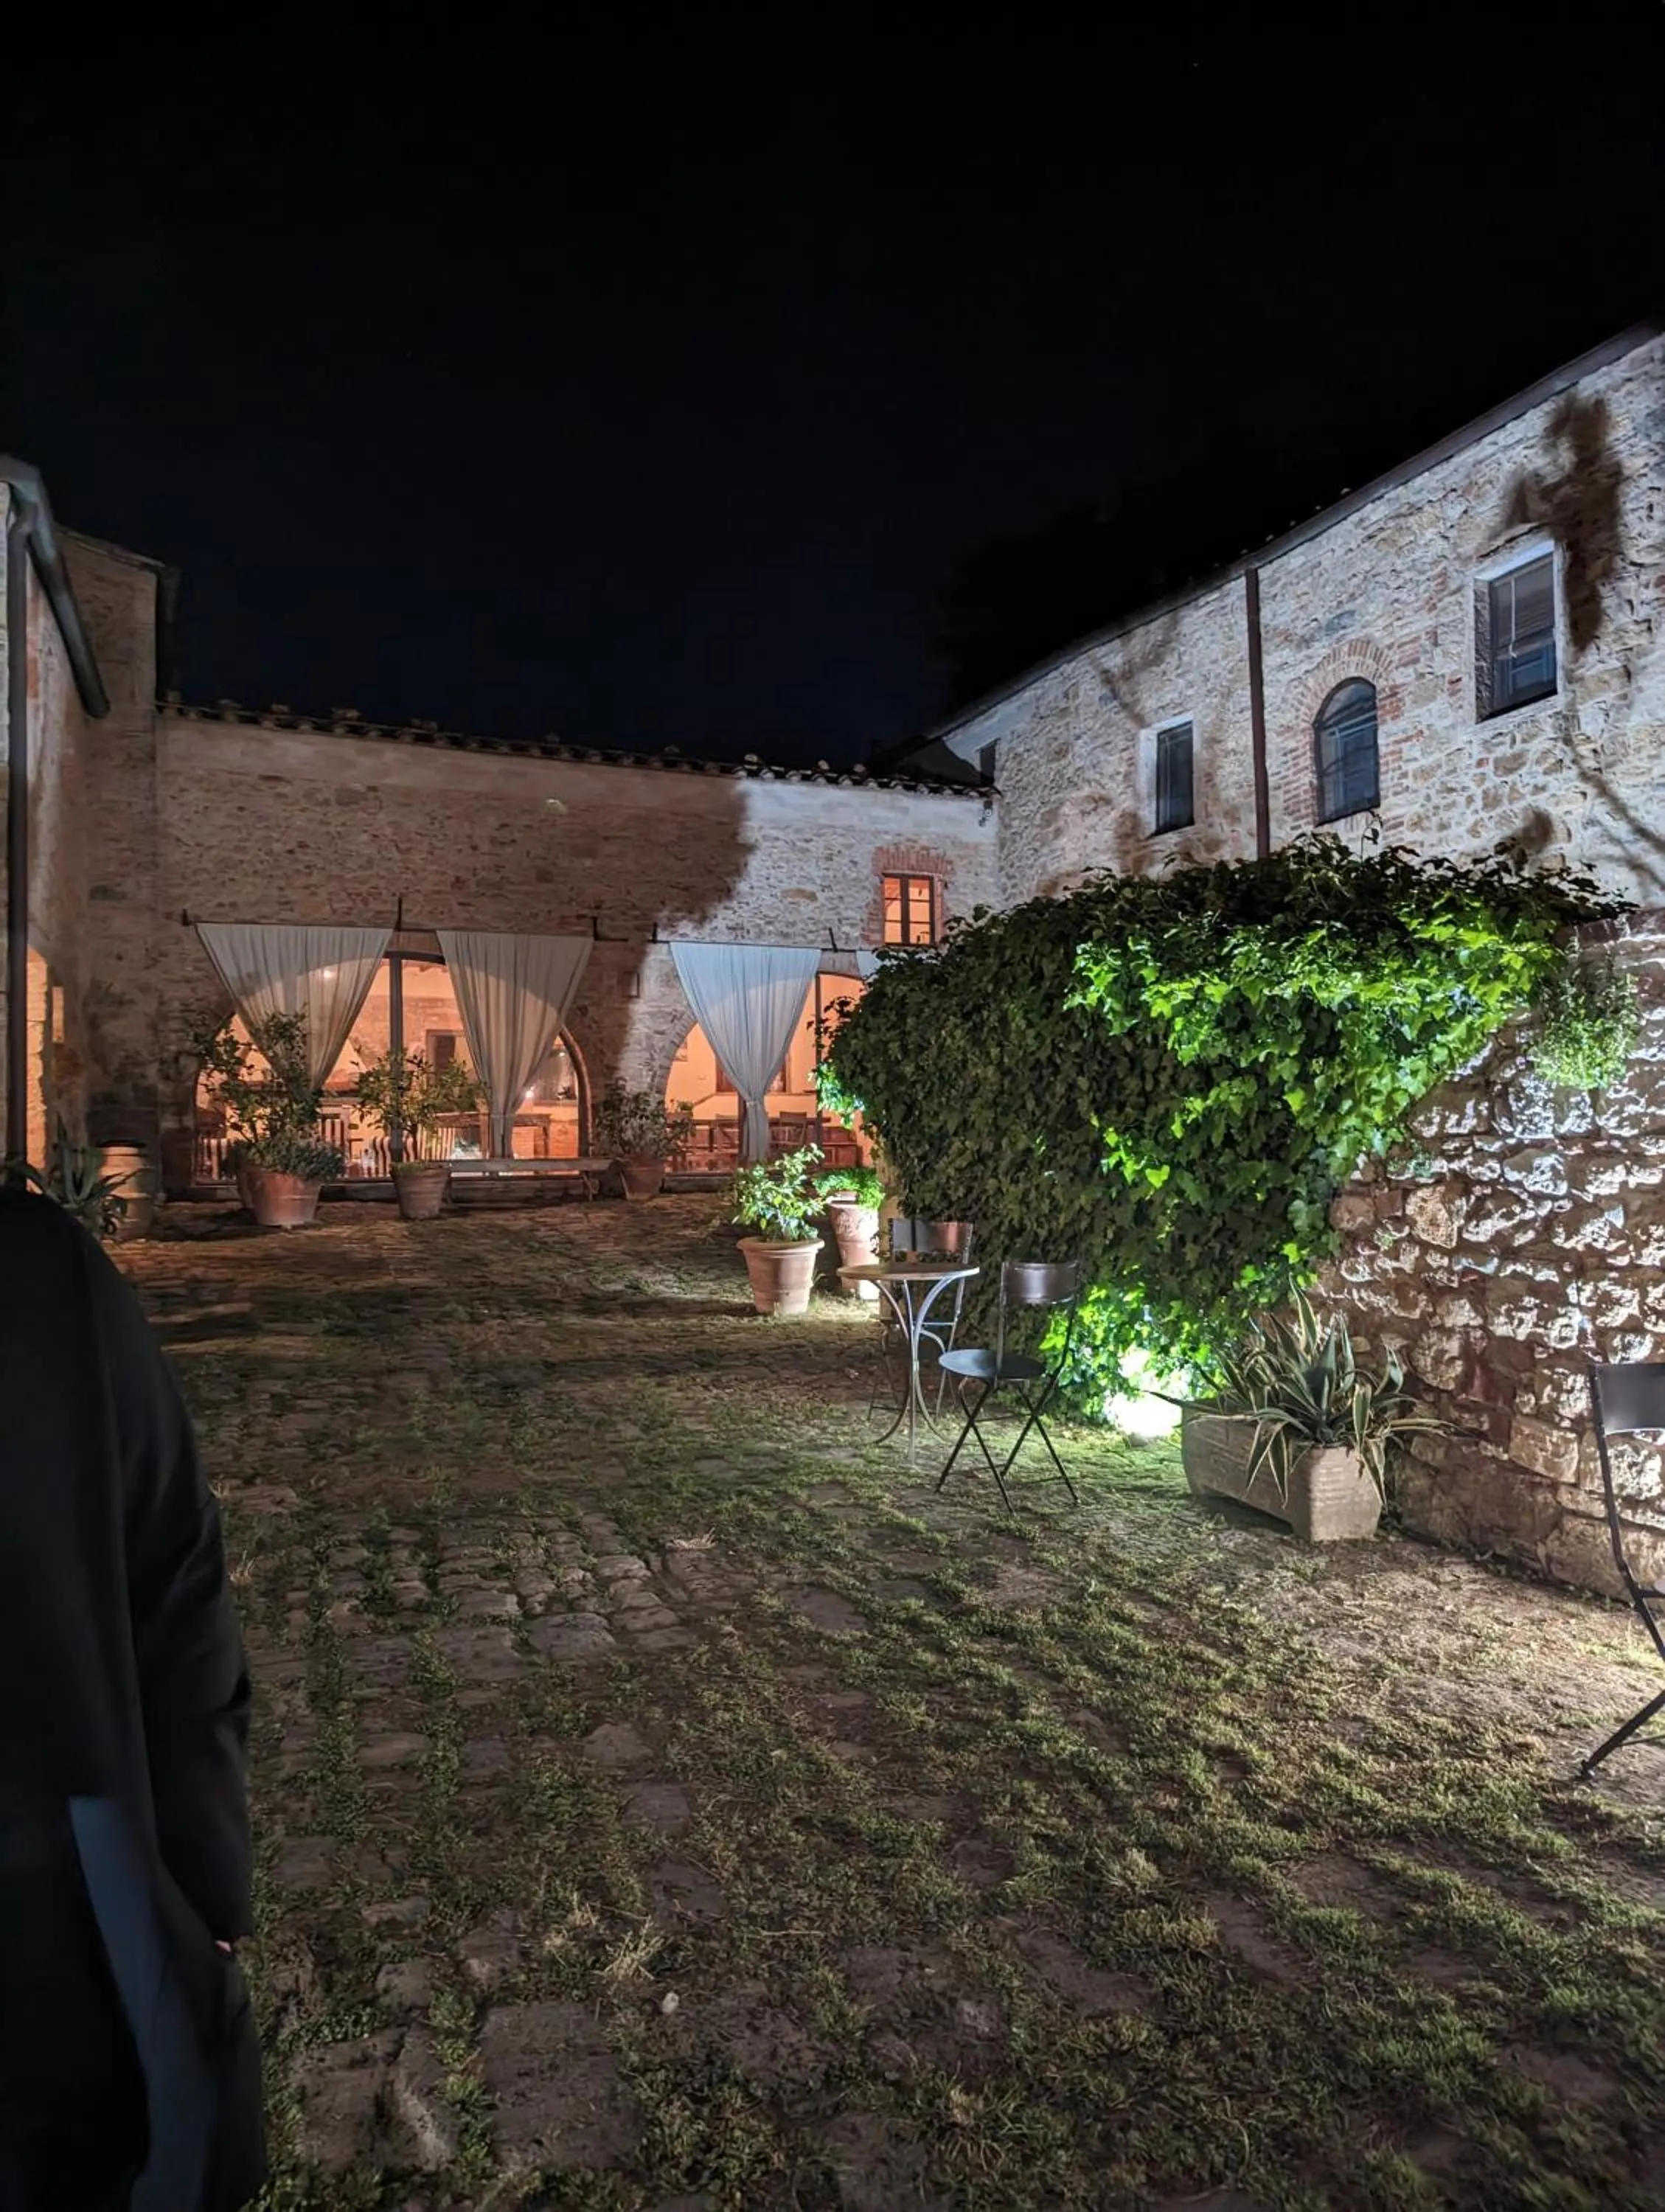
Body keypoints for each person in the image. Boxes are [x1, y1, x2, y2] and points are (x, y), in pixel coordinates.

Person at [0, 1182, 265, 2211]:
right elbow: (177, 1570)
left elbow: (172, 1567)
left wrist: (201, 1869)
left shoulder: (35, 1269)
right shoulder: (38, 1265)